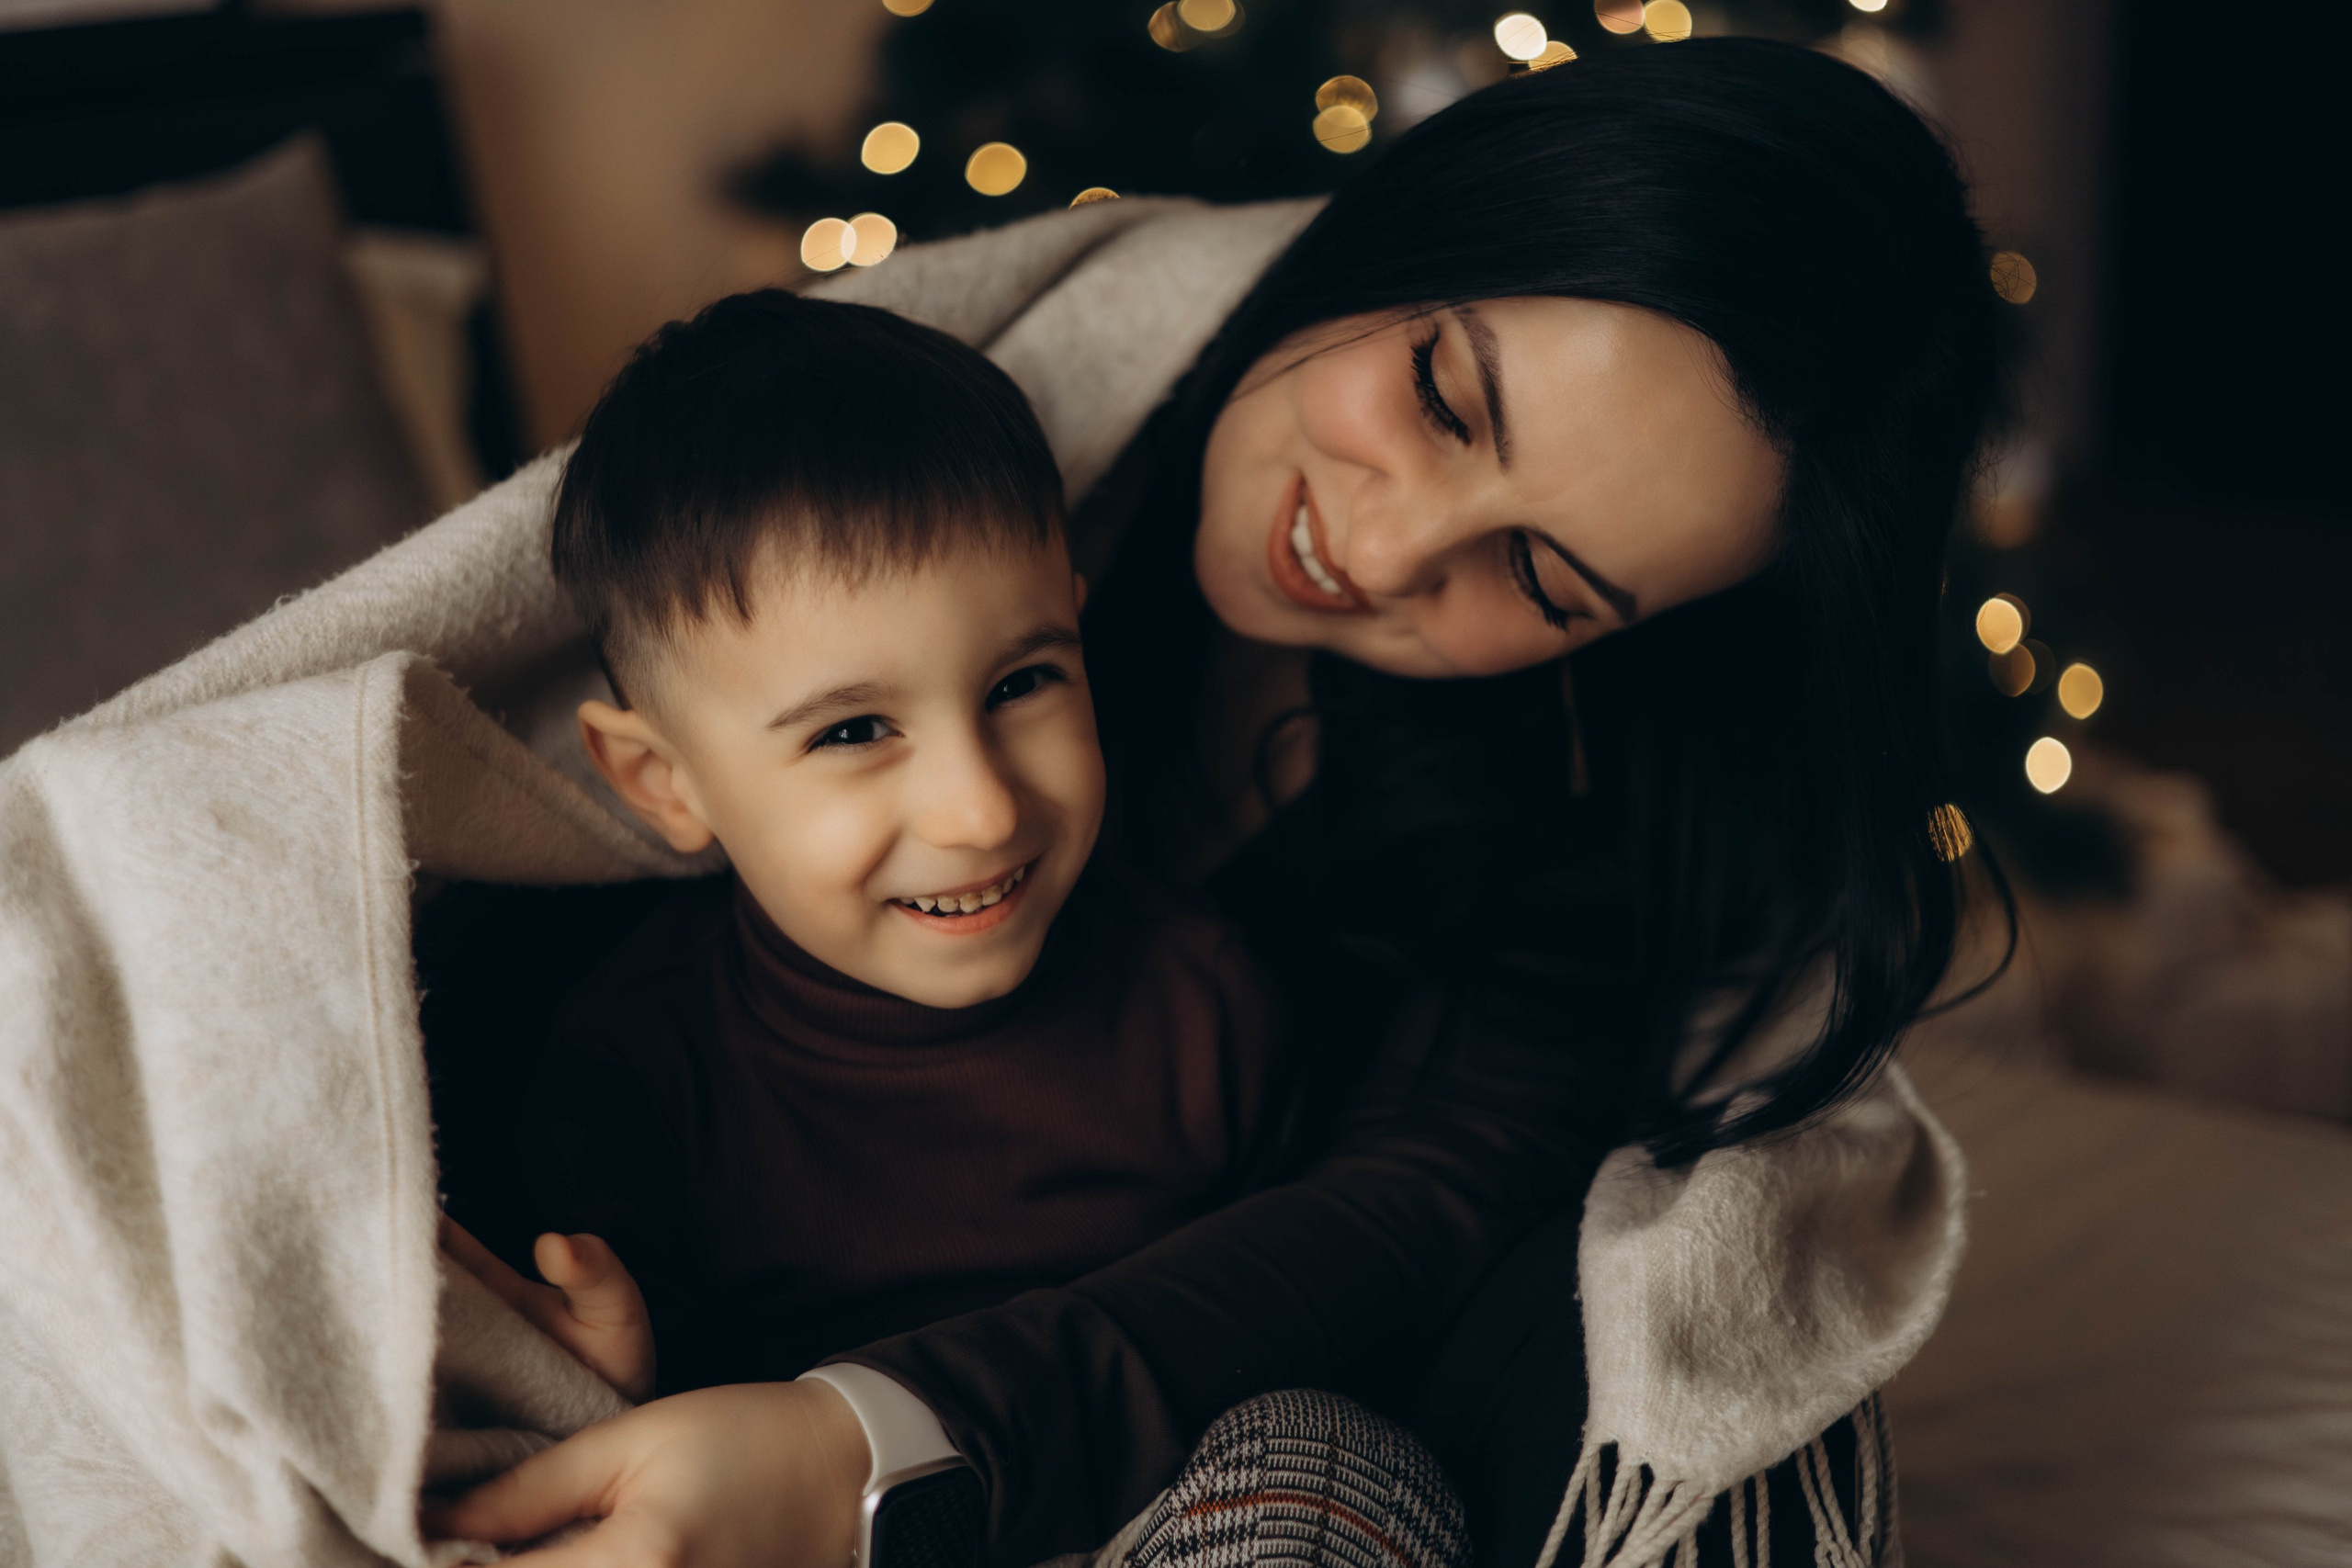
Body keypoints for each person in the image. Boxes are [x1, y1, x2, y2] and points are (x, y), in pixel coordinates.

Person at [431, 36, 1996, 1568]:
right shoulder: (928, 456)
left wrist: (869, 1449)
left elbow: (1401, 1224)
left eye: (1539, 576)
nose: (1381, 556)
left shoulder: (1442, 883)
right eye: (1446, 400)